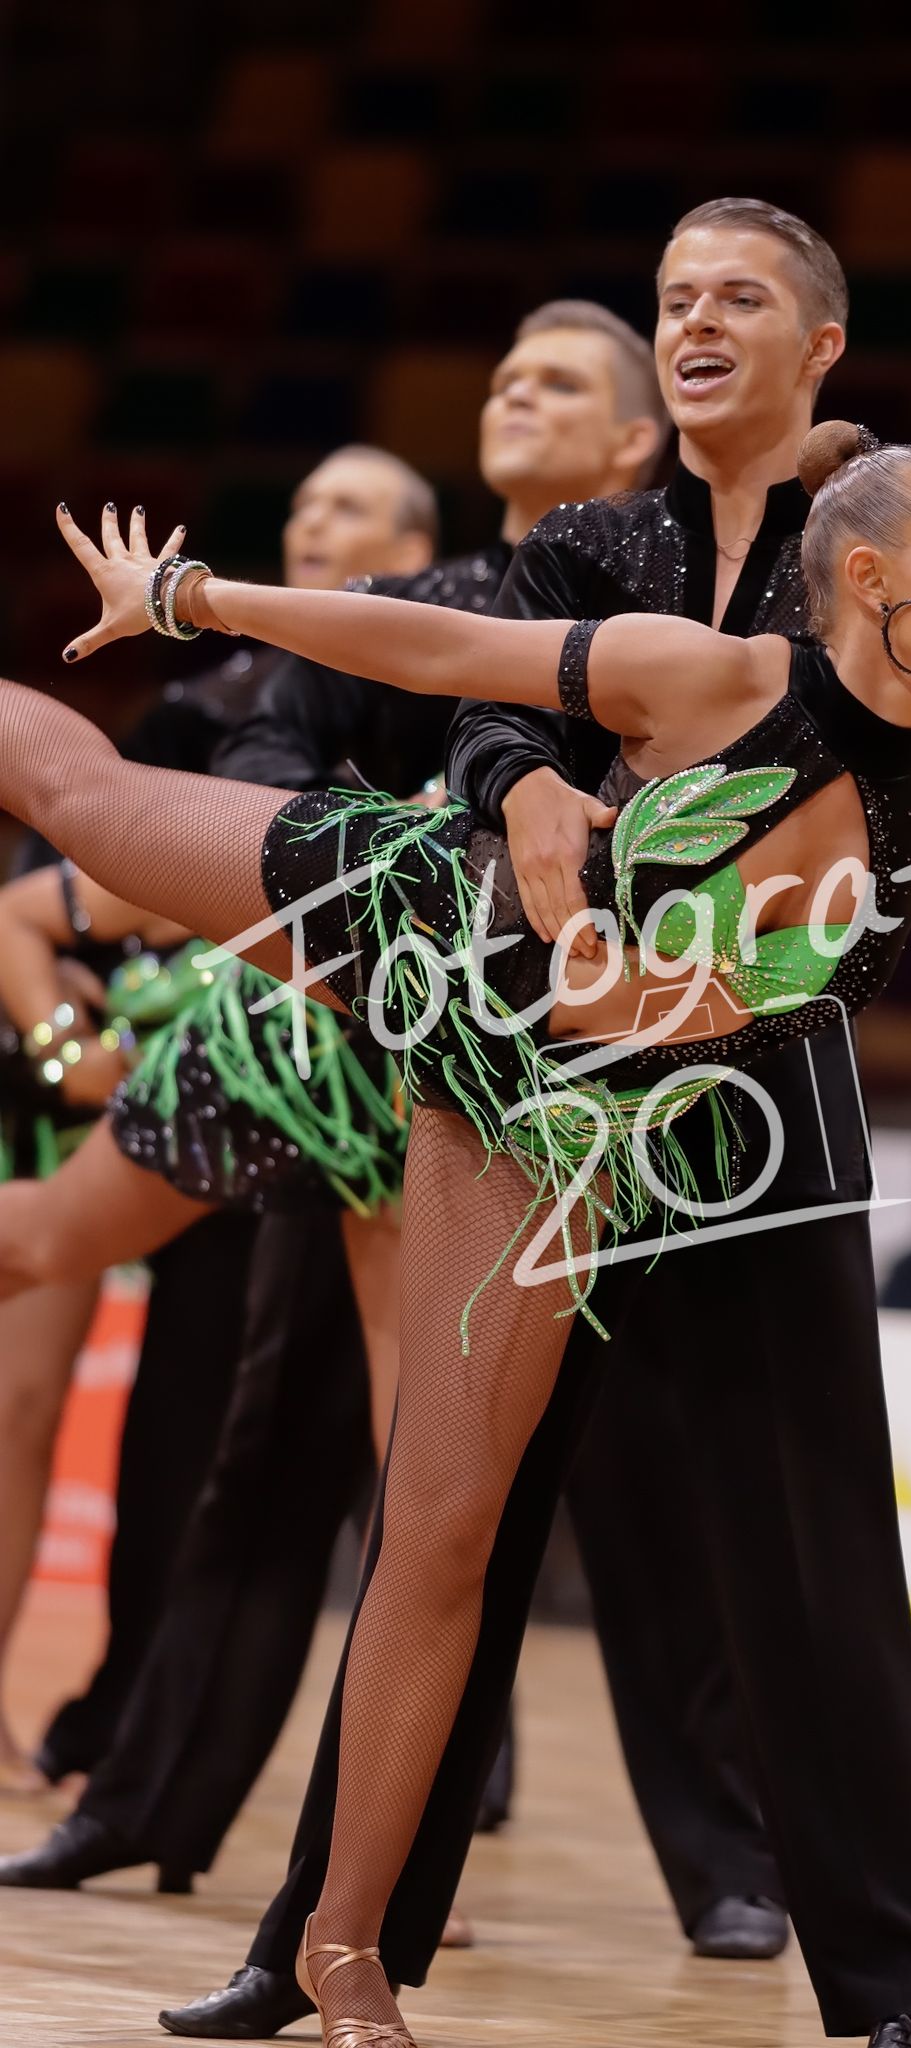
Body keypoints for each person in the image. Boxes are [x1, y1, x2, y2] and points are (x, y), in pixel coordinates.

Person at [7, 406, 911, 2048]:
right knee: (83, 801)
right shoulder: (711, 681)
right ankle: (332, 1934)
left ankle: (338, 1950)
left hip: (547, 1128)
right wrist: (193, 601)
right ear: (865, 576)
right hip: (427, 920)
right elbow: (442, 653)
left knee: (442, 1525)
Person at [0, 311, 668, 1950]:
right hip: (292, 1028)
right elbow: (94, 866)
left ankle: (385, 1877)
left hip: (452, 1081)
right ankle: (197, 1815)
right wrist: (88, 1043)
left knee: (427, 1489)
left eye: (558, 381)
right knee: (46, 1256)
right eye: (504, 375)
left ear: (634, 444)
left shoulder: (660, 628)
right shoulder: (402, 614)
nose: (514, 393)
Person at [0, 448, 437, 1797]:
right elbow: (48, 890)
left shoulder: (465, 707)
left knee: (397, 1471)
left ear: (426, 560)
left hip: (375, 1109)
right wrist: (70, 1055)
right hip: (187, 1080)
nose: (312, 522)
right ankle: (113, 1730)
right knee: (51, 1396)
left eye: (348, 506)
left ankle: (423, 1791)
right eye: (301, 505)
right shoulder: (205, 711)